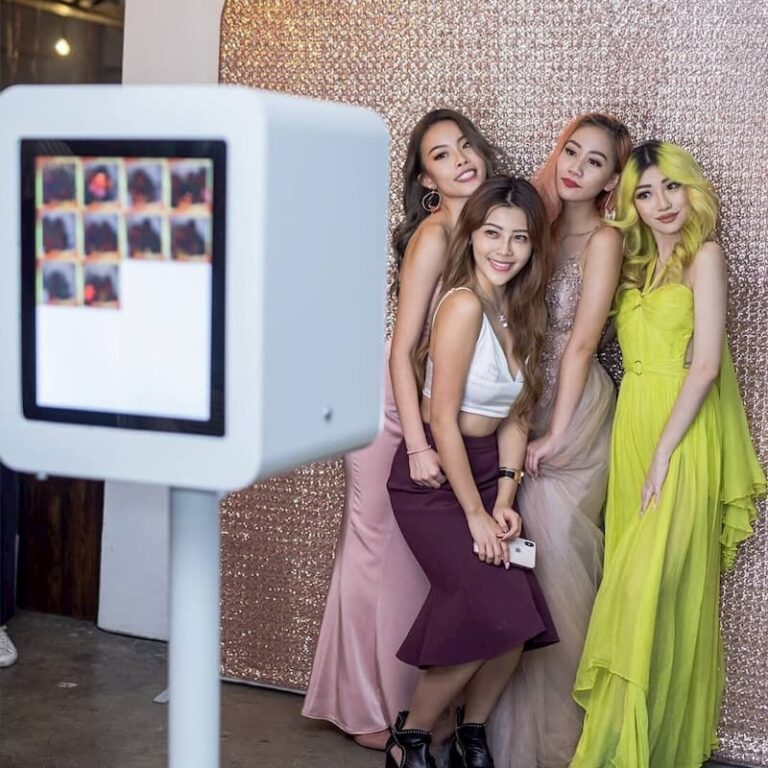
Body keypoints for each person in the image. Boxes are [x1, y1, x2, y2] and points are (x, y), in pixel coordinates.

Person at [302, 109, 501, 749]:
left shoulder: (485, 228)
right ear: (425, 177)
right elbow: (400, 348)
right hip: (394, 409)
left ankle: (398, 702)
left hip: (428, 406)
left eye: (467, 146)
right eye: (442, 155)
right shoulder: (436, 236)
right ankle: (367, 711)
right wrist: (415, 441)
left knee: (411, 565)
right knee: (372, 552)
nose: (461, 160)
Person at [570, 141, 766, 767]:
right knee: (630, 588)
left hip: (680, 433)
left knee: (646, 589)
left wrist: (663, 454)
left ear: (691, 189)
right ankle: (639, 746)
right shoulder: (630, 268)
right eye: (646, 194)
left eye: (670, 188)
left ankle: (626, 753)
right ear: (631, 204)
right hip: (632, 425)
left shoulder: (705, 258)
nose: (661, 204)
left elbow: (706, 365)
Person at [386, 176, 558, 768]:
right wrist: (476, 515)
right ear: (473, 236)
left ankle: (471, 736)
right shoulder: (461, 305)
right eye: (492, 234)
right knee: (489, 608)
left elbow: (518, 414)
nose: (504, 249)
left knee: (520, 618)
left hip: (488, 475)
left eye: (519, 237)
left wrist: (506, 496)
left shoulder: (523, 310)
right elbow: (440, 418)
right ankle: (410, 736)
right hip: (436, 479)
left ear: (535, 246)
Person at [488, 113, 632, 767]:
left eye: (594, 161)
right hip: (524, 400)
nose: (575, 166)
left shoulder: (605, 240)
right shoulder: (536, 229)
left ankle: (567, 744)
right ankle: (501, 734)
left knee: (559, 560)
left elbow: (580, 344)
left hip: (575, 415)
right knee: (519, 567)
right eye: (571, 151)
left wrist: (555, 430)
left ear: (611, 178)